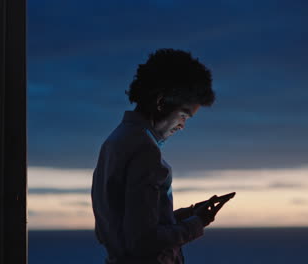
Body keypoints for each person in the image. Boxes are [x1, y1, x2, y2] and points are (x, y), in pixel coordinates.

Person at [91, 48, 230, 264]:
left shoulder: (115, 142)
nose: (182, 126)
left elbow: (131, 224)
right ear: (161, 102)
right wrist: (197, 224)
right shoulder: (144, 151)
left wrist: (189, 213)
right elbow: (143, 241)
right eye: (183, 116)